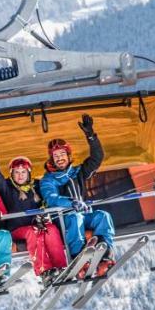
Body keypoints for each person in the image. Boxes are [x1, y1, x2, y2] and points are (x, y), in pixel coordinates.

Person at [0, 135, 67, 278]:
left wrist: (44, 216)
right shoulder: (7, 188)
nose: (20, 175)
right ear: (11, 174)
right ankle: (44, 270)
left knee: (51, 228)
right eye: (16, 172)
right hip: (16, 229)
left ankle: (60, 267)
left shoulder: (36, 186)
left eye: (23, 172)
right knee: (33, 231)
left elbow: (50, 192)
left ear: (28, 173)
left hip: (36, 225)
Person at [39, 113, 117, 277]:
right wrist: (72, 203)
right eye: (56, 156)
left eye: (62, 155)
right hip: (63, 218)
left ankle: (105, 255)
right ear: (52, 159)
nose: (60, 159)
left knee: (103, 216)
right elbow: (51, 198)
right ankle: (78, 257)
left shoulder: (77, 172)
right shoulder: (48, 179)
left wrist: (91, 135)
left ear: (68, 156)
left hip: (82, 213)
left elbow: (97, 158)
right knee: (76, 217)